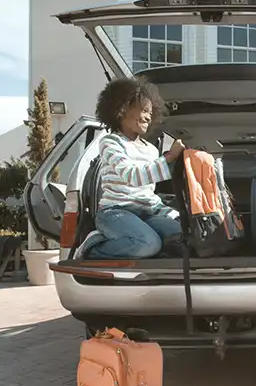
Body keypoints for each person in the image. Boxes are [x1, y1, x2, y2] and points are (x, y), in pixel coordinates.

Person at [76, 76, 186, 260]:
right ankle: (93, 247)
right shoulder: (111, 143)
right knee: (147, 244)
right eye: (144, 110)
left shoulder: (151, 150)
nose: (148, 116)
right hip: (116, 212)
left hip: (148, 213)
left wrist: (176, 215)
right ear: (122, 109)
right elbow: (132, 177)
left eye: (150, 113)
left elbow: (147, 193)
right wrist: (169, 157)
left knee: (185, 237)